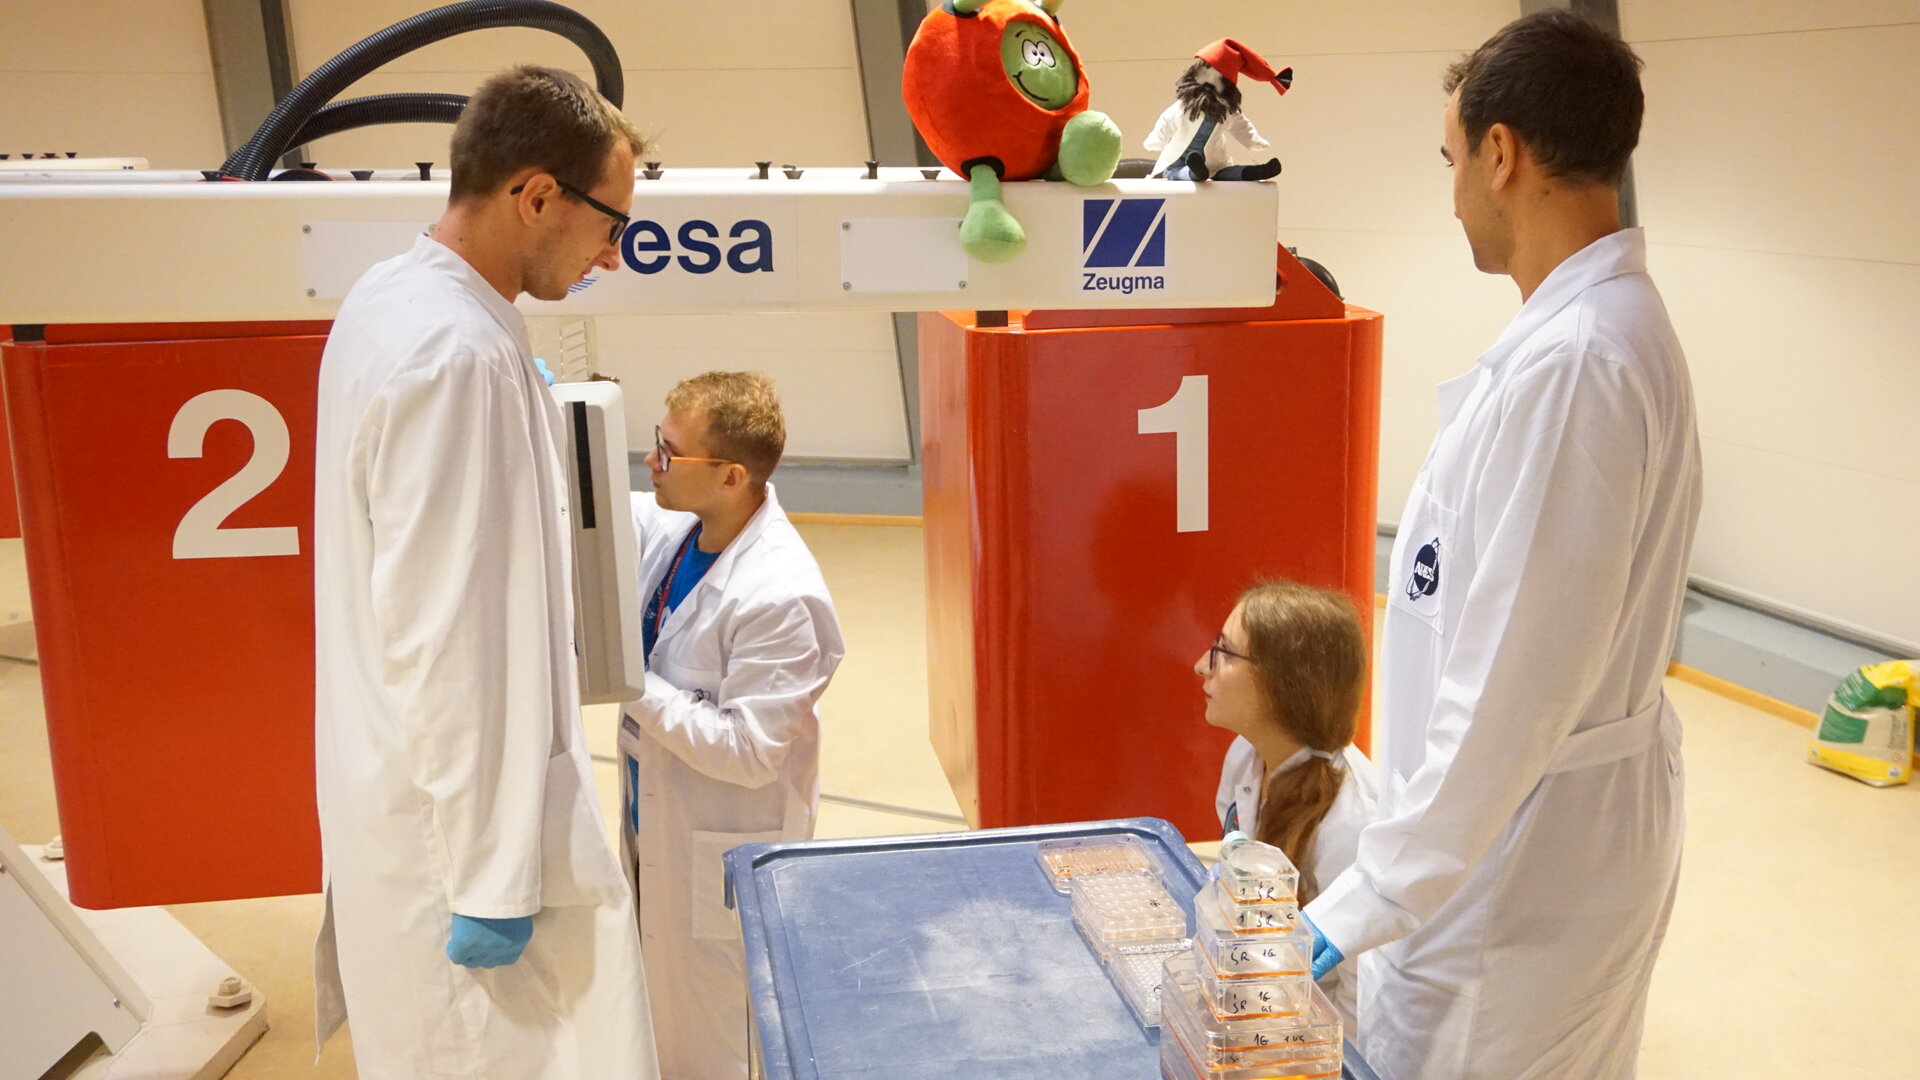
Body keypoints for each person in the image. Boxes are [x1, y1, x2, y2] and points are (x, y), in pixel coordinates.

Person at [1300, 12, 1703, 1080]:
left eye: (1451, 160)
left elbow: (1508, 694)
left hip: (1514, 872)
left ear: (1501, 152)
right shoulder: (1594, 336)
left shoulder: (1577, 365)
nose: (1453, 195)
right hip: (1523, 847)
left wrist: (1358, 901)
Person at [311, 65, 658, 1080]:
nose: (613, 254)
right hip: (462, 847)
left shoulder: (397, 296)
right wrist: (496, 883)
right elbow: (452, 640)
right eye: (610, 223)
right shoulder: (455, 358)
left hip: (421, 800)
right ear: (535, 194)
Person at [619, 372, 846, 1080]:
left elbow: (750, 753)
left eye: (669, 451)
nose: (652, 461)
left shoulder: (778, 593)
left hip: (719, 853)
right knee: (662, 1023)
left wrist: (626, 681)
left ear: (731, 475)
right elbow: (588, 509)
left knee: (721, 1042)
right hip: (653, 823)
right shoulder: (679, 528)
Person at [1195, 581, 1379, 1030]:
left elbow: (1361, 998)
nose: (1202, 666)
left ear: (1280, 683)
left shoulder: (1353, 822)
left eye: (1223, 652)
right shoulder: (1245, 755)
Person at [1144, 38, 1287, 181]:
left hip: (1214, 164)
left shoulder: (1225, 110)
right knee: (1176, 173)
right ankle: (1195, 173)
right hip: (1178, 162)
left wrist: (1254, 141)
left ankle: (1254, 172)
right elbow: (1166, 122)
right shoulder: (1184, 107)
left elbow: (1240, 125)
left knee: (1225, 173)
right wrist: (1156, 140)